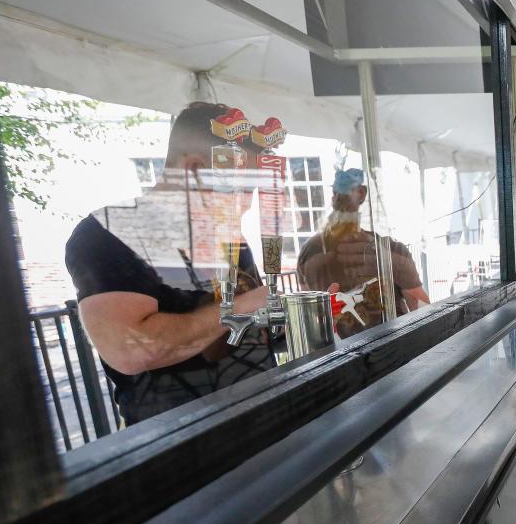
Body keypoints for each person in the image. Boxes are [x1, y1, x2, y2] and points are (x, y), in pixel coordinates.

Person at [67, 101, 273, 426]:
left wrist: (301, 318)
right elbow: (132, 351)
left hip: (263, 421)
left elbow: (235, 336)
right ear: (192, 170)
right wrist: (244, 306)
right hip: (173, 447)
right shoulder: (107, 234)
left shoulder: (226, 237)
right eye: (239, 188)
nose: (245, 206)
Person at [297, 167, 430, 336]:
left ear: (362, 194)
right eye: (339, 196)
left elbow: (421, 308)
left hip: (389, 349)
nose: (340, 201)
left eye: (344, 196)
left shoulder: (389, 252)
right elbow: (309, 316)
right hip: (345, 356)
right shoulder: (312, 254)